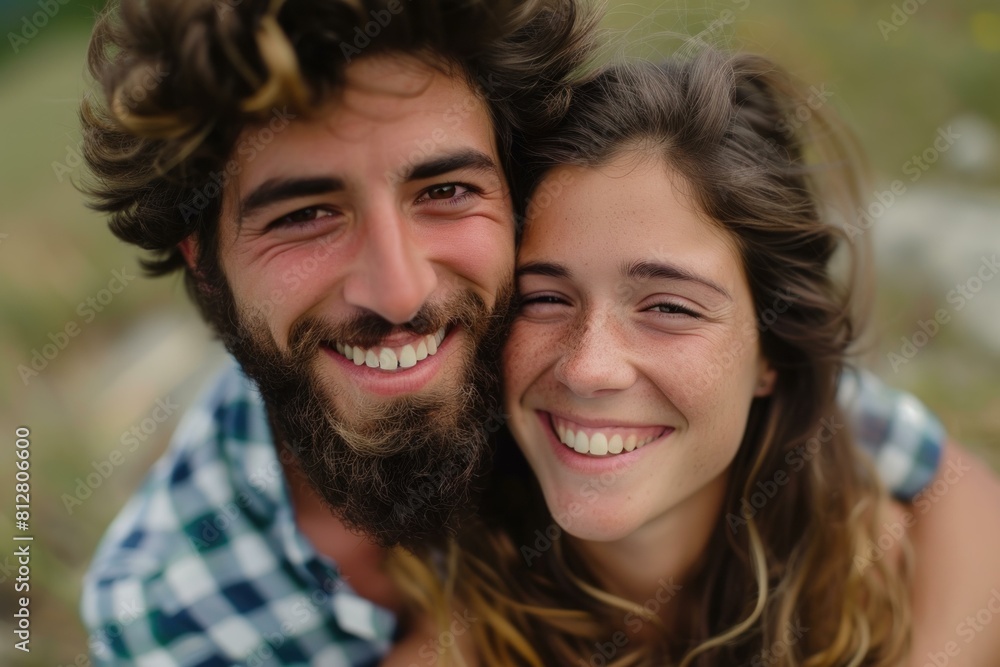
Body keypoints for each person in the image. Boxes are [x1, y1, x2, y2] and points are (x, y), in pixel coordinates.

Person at [78, 1, 962, 665]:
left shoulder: (540, 333)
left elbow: (947, 486)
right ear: (204, 260)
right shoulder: (167, 610)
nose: (401, 289)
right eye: (306, 214)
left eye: (446, 190)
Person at [386, 52, 1000, 666]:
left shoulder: (892, 581)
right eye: (543, 298)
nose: (588, 367)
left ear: (771, 353)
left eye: (670, 308)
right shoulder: (447, 623)